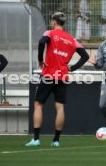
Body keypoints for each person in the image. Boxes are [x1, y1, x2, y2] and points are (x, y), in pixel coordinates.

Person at [25, 12, 89, 147]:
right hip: (62, 77)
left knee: (38, 104)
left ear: (53, 22)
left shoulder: (50, 33)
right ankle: (56, 140)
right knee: (60, 107)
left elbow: (42, 42)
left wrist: (40, 60)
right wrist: (72, 68)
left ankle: (36, 139)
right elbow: (85, 56)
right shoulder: (71, 39)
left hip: (48, 75)